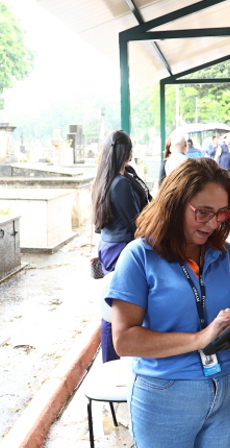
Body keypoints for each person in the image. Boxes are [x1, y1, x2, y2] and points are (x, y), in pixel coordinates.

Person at [106, 157, 230, 448]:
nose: (213, 223)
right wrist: (200, 339)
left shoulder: (227, 254)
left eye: (222, 213)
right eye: (202, 212)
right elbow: (124, 340)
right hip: (165, 396)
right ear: (175, 204)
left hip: (229, 391)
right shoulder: (139, 256)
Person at [91, 130, 152, 362]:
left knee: (116, 304)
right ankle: (112, 360)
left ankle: (114, 358)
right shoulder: (120, 184)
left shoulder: (110, 177)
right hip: (121, 248)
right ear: (126, 152)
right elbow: (136, 222)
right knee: (114, 308)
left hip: (110, 245)